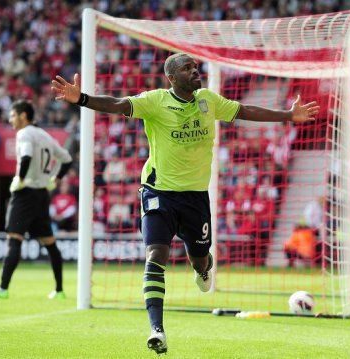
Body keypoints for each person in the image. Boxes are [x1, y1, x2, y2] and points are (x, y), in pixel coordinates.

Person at [51, 53, 319, 354]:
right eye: (187, 68)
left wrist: (288, 115)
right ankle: (157, 329)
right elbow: (116, 104)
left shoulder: (208, 100)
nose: (195, 71)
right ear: (172, 77)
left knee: (200, 259)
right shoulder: (155, 101)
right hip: (158, 191)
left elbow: (244, 110)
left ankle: (203, 268)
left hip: (195, 197)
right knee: (156, 254)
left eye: (195, 67)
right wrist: (82, 98)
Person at [0, 100, 73, 300]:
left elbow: (27, 155)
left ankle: (3, 288)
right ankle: (59, 289)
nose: (10, 120)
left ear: (22, 115)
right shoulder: (46, 136)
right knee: (50, 243)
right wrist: (55, 179)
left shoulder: (24, 133)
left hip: (25, 193)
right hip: (41, 195)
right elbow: (67, 159)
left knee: (14, 238)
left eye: (12, 115)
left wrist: (19, 180)